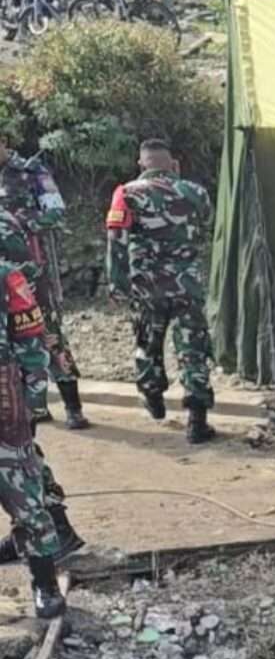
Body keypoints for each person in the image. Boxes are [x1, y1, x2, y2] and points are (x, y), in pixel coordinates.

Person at [105, 139, 215, 443]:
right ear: (173, 164)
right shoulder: (196, 192)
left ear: (142, 164)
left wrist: (117, 284)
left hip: (147, 286)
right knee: (192, 348)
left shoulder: (126, 193)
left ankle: (153, 399)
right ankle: (197, 420)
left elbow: (117, 241)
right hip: (187, 285)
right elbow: (204, 224)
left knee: (147, 344)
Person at [0, 209, 83, 571]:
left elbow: (28, 286)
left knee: (20, 456)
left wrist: (31, 388)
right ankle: (41, 532)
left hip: (15, 360)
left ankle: (52, 532)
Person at [0, 137, 86, 431]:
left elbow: (56, 211)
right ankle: (34, 406)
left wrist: (17, 223)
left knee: (50, 334)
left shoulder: (31, 170)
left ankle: (73, 406)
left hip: (32, 271)